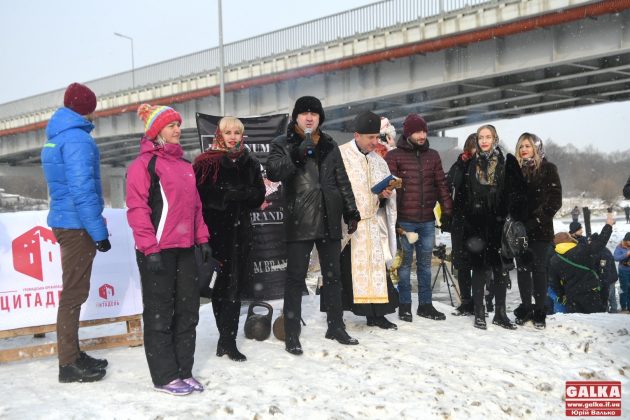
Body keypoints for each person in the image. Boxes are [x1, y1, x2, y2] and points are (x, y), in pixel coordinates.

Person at [126, 103, 212, 395]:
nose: (178, 129)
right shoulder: (144, 165)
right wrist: (149, 249)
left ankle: (183, 371)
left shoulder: (185, 165)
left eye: (178, 124)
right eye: (171, 125)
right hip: (158, 251)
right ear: (156, 131)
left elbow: (195, 208)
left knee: (188, 311)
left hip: (185, 249)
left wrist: (203, 240)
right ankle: (164, 376)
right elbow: (137, 209)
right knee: (160, 314)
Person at [266, 96, 361, 355]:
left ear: (320, 118)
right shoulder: (281, 143)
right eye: (304, 113)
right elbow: (273, 172)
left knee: (333, 276)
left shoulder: (330, 144)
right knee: (295, 278)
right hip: (300, 217)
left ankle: (336, 325)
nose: (310, 117)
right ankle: (291, 333)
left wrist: (351, 210)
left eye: (314, 114)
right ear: (295, 117)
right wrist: (295, 156)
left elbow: (342, 180)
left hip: (330, 216)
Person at [41, 82, 111, 383]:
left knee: (73, 291)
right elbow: (83, 190)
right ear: (87, 108)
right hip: (76, 225)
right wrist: (99, 232)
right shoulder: (79, 141)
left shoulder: (56, 137)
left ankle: (73, 354)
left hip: (64, 219)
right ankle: (68, 364)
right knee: (73, 293)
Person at [193, 117, 265, 362]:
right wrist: (229, 196)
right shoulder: (205, 163)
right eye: (228, 132)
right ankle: (225, 338)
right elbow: (199, 197)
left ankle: (228, 341)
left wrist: (237, 194)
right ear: (219, 134)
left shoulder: (250, 161)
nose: (232, 136)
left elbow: (258, 195)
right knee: (218, 288)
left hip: (241, 234)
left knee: (234, 288)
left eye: (237, 132)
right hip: (214, 235)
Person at [384, 114, 453, 322]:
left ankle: (425, 305)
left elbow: (441, 184)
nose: (422, 135)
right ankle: (404, 306)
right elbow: (390, 189)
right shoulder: (394, 156)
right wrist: (393, 220)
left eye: (424, 131)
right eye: (417, 131)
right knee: (404, 265)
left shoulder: (433, 155)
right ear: (408, 133)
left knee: (424, 264)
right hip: (405, 220)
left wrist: (448, 211)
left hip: (427, 220)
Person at [459, 124, 527, 330]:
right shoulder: (471, 164)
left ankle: (500, 313)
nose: (484, 141)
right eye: (481, 137)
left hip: (499, 224)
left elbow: (517, 192)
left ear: (495, 139)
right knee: (479, 270)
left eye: (488, 137)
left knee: (500, 270)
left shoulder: (506, 162)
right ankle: (479, 312)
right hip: (478, 225)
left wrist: (509, 214)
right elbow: (464, 195)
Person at [338, 111, 399, 329]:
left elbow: (384, 197)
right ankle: (338, 317)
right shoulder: (340, 155)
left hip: (372, 225)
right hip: (349, 226)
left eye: (377, 137)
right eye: (370, 138)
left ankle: (377, 314)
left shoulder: (379, 161)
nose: (375, 142)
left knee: (376, 272)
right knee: (348, 272)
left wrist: (385, 196)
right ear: (357, 135)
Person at [512, 133, 562, 329]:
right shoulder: (515, 171)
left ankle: (540, 311)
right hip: (519, 230)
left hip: (541, 230)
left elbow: (555, 200)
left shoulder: (548, 169)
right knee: (523, 270)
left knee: (539, 271)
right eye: (521, 146)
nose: (524, 149)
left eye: (528, 145)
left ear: (536, 148)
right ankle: (526, 308)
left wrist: (536, 220)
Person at [549, 213, 614, 314]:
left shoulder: (554, 259)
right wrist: (608, 225)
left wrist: (562, 294)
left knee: (578, 322)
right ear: (569, 240)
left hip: (571, 295)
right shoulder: (581, 249)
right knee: (595, 320)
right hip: (590, 292)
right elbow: (600, 242)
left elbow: (554, 282)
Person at [447, 133, 477, 316]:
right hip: (460, 220)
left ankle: (482, 300)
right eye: (472, 147)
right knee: (462, 263)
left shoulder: (489, 166)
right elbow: (449, 185)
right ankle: (466, 300)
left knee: (481, 264)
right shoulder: (459, 165)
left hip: (479, 221)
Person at [589, 233, 618, 313]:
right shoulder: (600, 250)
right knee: (611, 296)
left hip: (609, 278)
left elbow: (604, 269)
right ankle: (612, 311)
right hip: (609, 277)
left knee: (607, 296)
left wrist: (602, 280)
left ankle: (610, 312)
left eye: (590, 241)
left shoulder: (603, 252)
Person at [613, 232, 630, 313]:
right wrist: (626, 254)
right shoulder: (620, 247)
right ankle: (624, 306)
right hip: (623, 270)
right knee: (624, 288)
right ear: (626, 240)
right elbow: (615, 257)